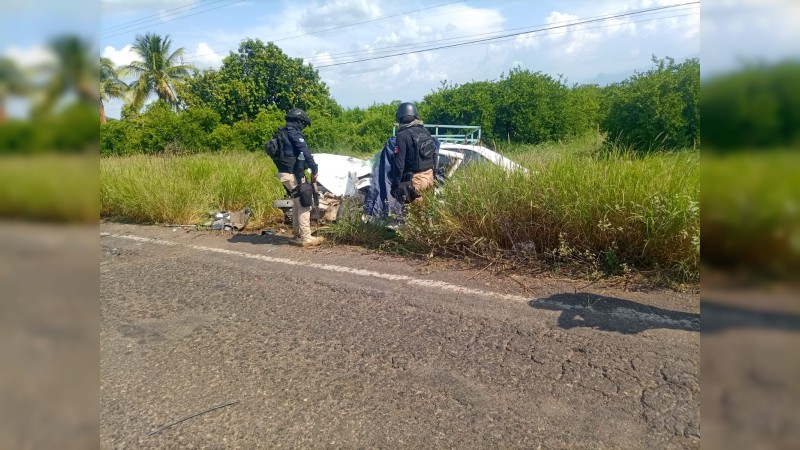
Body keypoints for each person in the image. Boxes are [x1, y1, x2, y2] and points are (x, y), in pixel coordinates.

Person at [272, 108, 324, 247]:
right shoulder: (294, 134)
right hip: (293, 174)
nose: (303, 127)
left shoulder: (281, 133)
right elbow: (306, 152)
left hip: (284, 173)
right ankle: (306, 237)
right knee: (304, 204)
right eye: (303, 124)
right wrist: (314, 169)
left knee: (296, 203)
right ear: (299, 121)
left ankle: (296, 234)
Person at [390, 102, 437, 204]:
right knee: (427, 212)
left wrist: (394, 186)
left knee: (416, 215)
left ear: (400, 118)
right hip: (429, 177)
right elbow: (434, 154)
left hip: (416, 181)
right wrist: (434, 176)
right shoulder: (425, 131)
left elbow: (399, 164)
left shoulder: (402, 135)